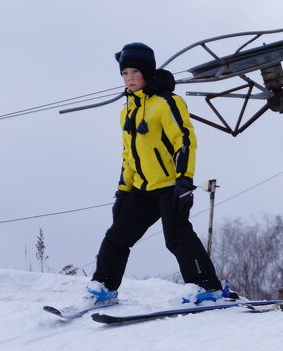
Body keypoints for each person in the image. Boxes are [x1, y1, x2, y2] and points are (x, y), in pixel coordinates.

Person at [84, 42, 229, 307]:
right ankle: (104, 288)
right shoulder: (127, 110)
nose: (129, 78)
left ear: (147, 73)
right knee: (116, 238)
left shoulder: (167, 103)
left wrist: (184, 180)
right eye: (124, 73)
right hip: (141, 189)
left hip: (170, 186)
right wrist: (122, 192)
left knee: (177, 236)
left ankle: (208, 288)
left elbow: (184, 141)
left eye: (134, 72)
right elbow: (129, 155)